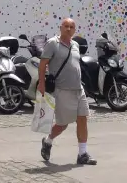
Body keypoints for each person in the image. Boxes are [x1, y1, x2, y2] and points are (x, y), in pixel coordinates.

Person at [38, 18, 96, 166]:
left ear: (74, 29)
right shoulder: (53, 43)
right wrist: (42, 84)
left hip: (78, 89)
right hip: (62, 90)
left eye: (71, 27)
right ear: (61, 27)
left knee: (83, 118)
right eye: (66, 26)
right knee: (62, 124)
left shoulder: (75, 44)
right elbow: (43, 63)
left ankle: (82, 154)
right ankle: (48, 140)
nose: (69, 29)